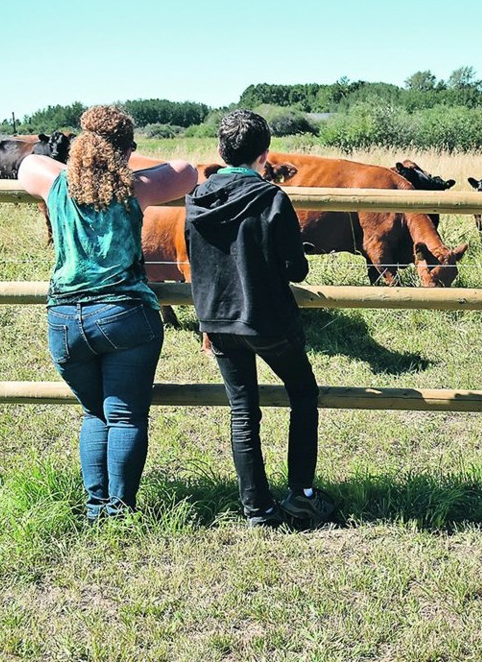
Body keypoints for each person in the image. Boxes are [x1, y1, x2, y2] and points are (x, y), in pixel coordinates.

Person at [18, 105, 197, 522]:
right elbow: (187, 170)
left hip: (64, 320)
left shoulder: (55, 185)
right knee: (126, 415)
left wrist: (79, 157)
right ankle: (120, 509)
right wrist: (128, 164)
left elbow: (29, 162)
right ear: (125, 151)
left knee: (94, 412)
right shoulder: (135, 188)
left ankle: (95, 506)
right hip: (124, 314)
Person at [184, 109, 335, 529]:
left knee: (242, 411)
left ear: (219, 150)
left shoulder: (196, 198)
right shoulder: (271, 198)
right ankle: (302, 493)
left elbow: (194, 255)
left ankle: (257, 509)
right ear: (264, 154)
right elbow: (296, 268)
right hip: (266, 320)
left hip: (217, 321)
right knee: (303, 393)